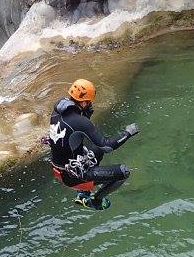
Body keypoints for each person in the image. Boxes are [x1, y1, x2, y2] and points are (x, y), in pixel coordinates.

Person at [48, 78, 140, 210]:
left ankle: (83, 194)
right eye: (89, 102)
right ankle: (96, 200)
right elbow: (107, 146)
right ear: (85, 102)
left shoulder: (58, 110)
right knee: (123, 172)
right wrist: (127, 133)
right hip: (73, 176)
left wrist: (84, 115)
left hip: (60, 169)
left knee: (97, 149)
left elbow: (73, 132)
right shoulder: (81, 122)